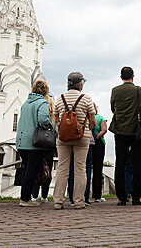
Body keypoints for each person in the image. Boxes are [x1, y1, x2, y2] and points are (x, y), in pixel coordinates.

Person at [53, 72, 95, 210]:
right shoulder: (86, 99)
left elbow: (55, 120)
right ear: (81, 85)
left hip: (63, 137)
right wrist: (85, 128)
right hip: (82, 137)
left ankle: (58, 201)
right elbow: (93, 121)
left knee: (62, 168)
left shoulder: (59, 99)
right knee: (80, 168)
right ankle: (78, 201)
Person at [109, 66, 141, 206]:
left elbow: (113, 108)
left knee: (120, 163)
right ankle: (136, 196)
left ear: (121, 77)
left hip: (119, 130)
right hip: (136, 131)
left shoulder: (115, 90)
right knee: (137, 163)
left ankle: (121, 196)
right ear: (133, 76)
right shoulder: (138, 90)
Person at [16, 80, 51, 207]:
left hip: (21, 141)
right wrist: (47, 124)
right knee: (32, 169)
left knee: (26, 168)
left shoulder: (25, 103)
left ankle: (24, 196)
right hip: (34, 141)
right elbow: (43, 120)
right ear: (45, 90)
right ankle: (25, 198)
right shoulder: (42, 102)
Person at [32, 93, 57, 203]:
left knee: (36, 168)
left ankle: (34, 195)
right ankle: (44, 195)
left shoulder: (39, 114)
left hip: (38, 144)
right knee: (48, 170)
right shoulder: (54, 118)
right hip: (49, 146)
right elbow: (56, 130)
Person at [91, 104, 107, 203]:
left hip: (87, 144)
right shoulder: (101, 118)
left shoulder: (86, 118)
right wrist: (96, 137)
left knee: (85, 168)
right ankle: (97, 195)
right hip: (99, 144)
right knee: (98, 169)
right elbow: (104, 130)